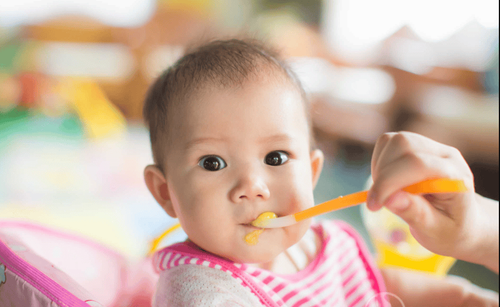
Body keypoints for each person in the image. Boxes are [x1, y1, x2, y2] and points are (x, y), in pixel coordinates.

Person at [143, 38, 499, 306]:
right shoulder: (200, 289)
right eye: (212, 163)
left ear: (312, 173)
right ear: (165, 192)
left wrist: (467, 298)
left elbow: (377, 287)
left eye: (277, 157)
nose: (252, 187)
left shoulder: (325, 246)